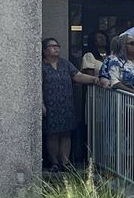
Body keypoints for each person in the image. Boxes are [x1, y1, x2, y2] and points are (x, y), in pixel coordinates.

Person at [41, 38, 108, 171]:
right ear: (44, 50)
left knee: (66, 133)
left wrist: (95, 79)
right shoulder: (41, 66)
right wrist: (42, 103)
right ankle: (55, 162)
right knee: (52, 134)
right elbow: (39, 86)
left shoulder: (65, 64)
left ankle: (65, 162)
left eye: (57, 46)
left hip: (66, 104)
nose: (56, 48)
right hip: (50, 104)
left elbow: (78, 76)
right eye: (52, 46)